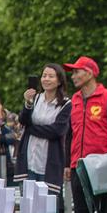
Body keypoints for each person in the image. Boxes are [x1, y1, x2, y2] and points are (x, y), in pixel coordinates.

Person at [64, 56, 107, 213]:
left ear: (90, 73)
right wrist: (68, 163)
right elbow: (70, 135)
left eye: (77, 72)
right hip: (79, 167)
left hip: (102, 168)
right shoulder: (74, 101)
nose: (73, 76)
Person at [16, 63, 71, 195]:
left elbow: (57, 131)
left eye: (51, 76)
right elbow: (23, 120)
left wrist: (30, 129)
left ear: (59, 81)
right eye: (44, 75)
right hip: (29, 159)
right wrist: (28, 103)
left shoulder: (65, 104)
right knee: (28, 202)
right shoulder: (35, 99)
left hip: (50, 161)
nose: (46, 79)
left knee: (48, 203)